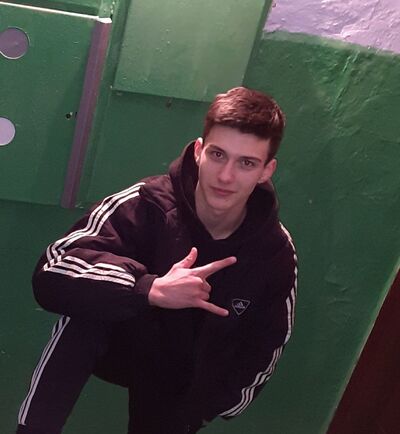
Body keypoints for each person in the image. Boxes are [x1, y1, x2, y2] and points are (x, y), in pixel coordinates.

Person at [16, 86, 297, 434]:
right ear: (198, 151)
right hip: (118, 338)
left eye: (246, 163)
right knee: (86, 308)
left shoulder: (273, 249)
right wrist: (149, 289)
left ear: (267, 170)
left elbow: (270, 337)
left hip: (178, 373)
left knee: (187, 384)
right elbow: (52, 270)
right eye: (218, 155)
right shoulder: (147, 202)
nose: (226, 176)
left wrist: (215, 403)